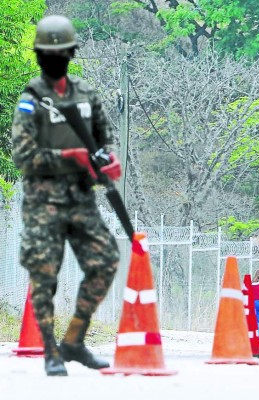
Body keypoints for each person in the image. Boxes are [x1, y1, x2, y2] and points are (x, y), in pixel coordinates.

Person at [12, 15, 122, 376]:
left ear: (71, 53)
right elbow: (22, 156)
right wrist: (67, 157)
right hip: (43, 202)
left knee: (105, 260)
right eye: (48, 53)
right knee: (44, 274)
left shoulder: (86, 95)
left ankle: (73, 340)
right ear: (39, 55)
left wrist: (108, 162)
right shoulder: (32, 99)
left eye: (61, 52)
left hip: (81, 198)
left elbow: (104, 142)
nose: (54, 59)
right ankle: (50, 352)